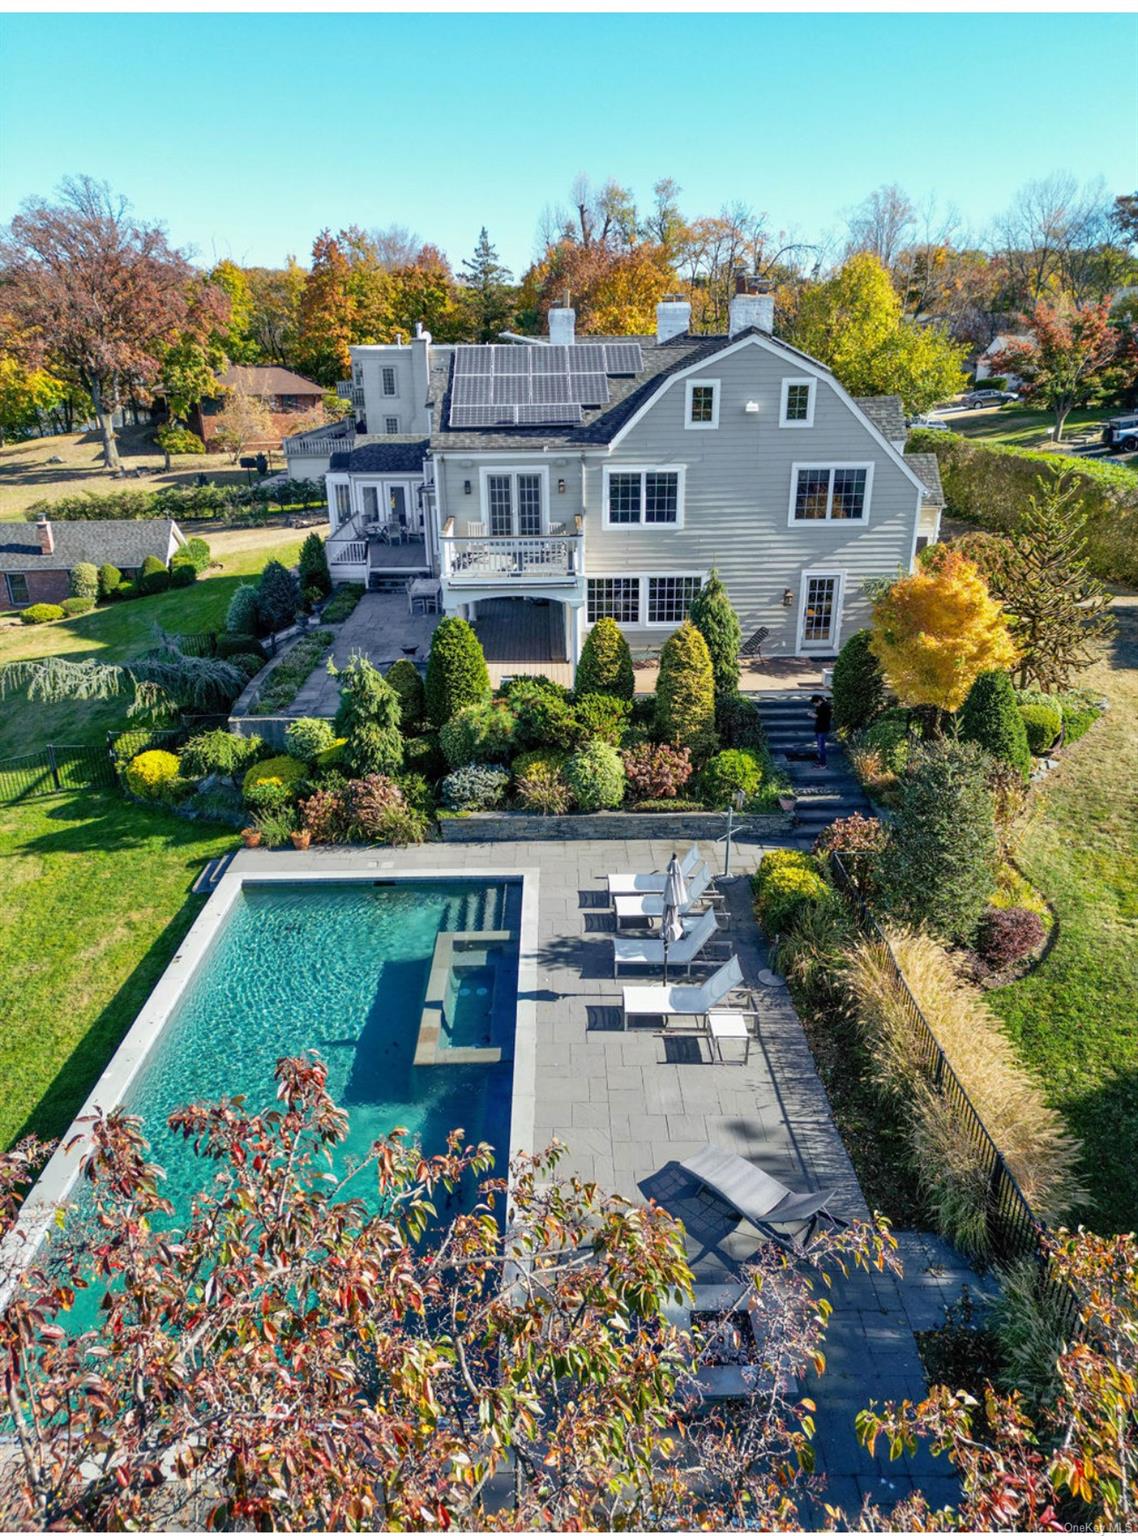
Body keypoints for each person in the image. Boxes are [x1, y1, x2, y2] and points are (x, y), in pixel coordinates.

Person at [811, 693, 832, 767]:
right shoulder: (822, 706)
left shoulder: (825, 707)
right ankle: (821, 761)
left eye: (815, 703)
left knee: (821, 747)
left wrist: (813, 715)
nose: (815, 705)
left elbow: (821, 717)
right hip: (820, 728)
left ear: (819, 701)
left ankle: (823, 763)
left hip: (822, 729)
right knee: (820, 746)